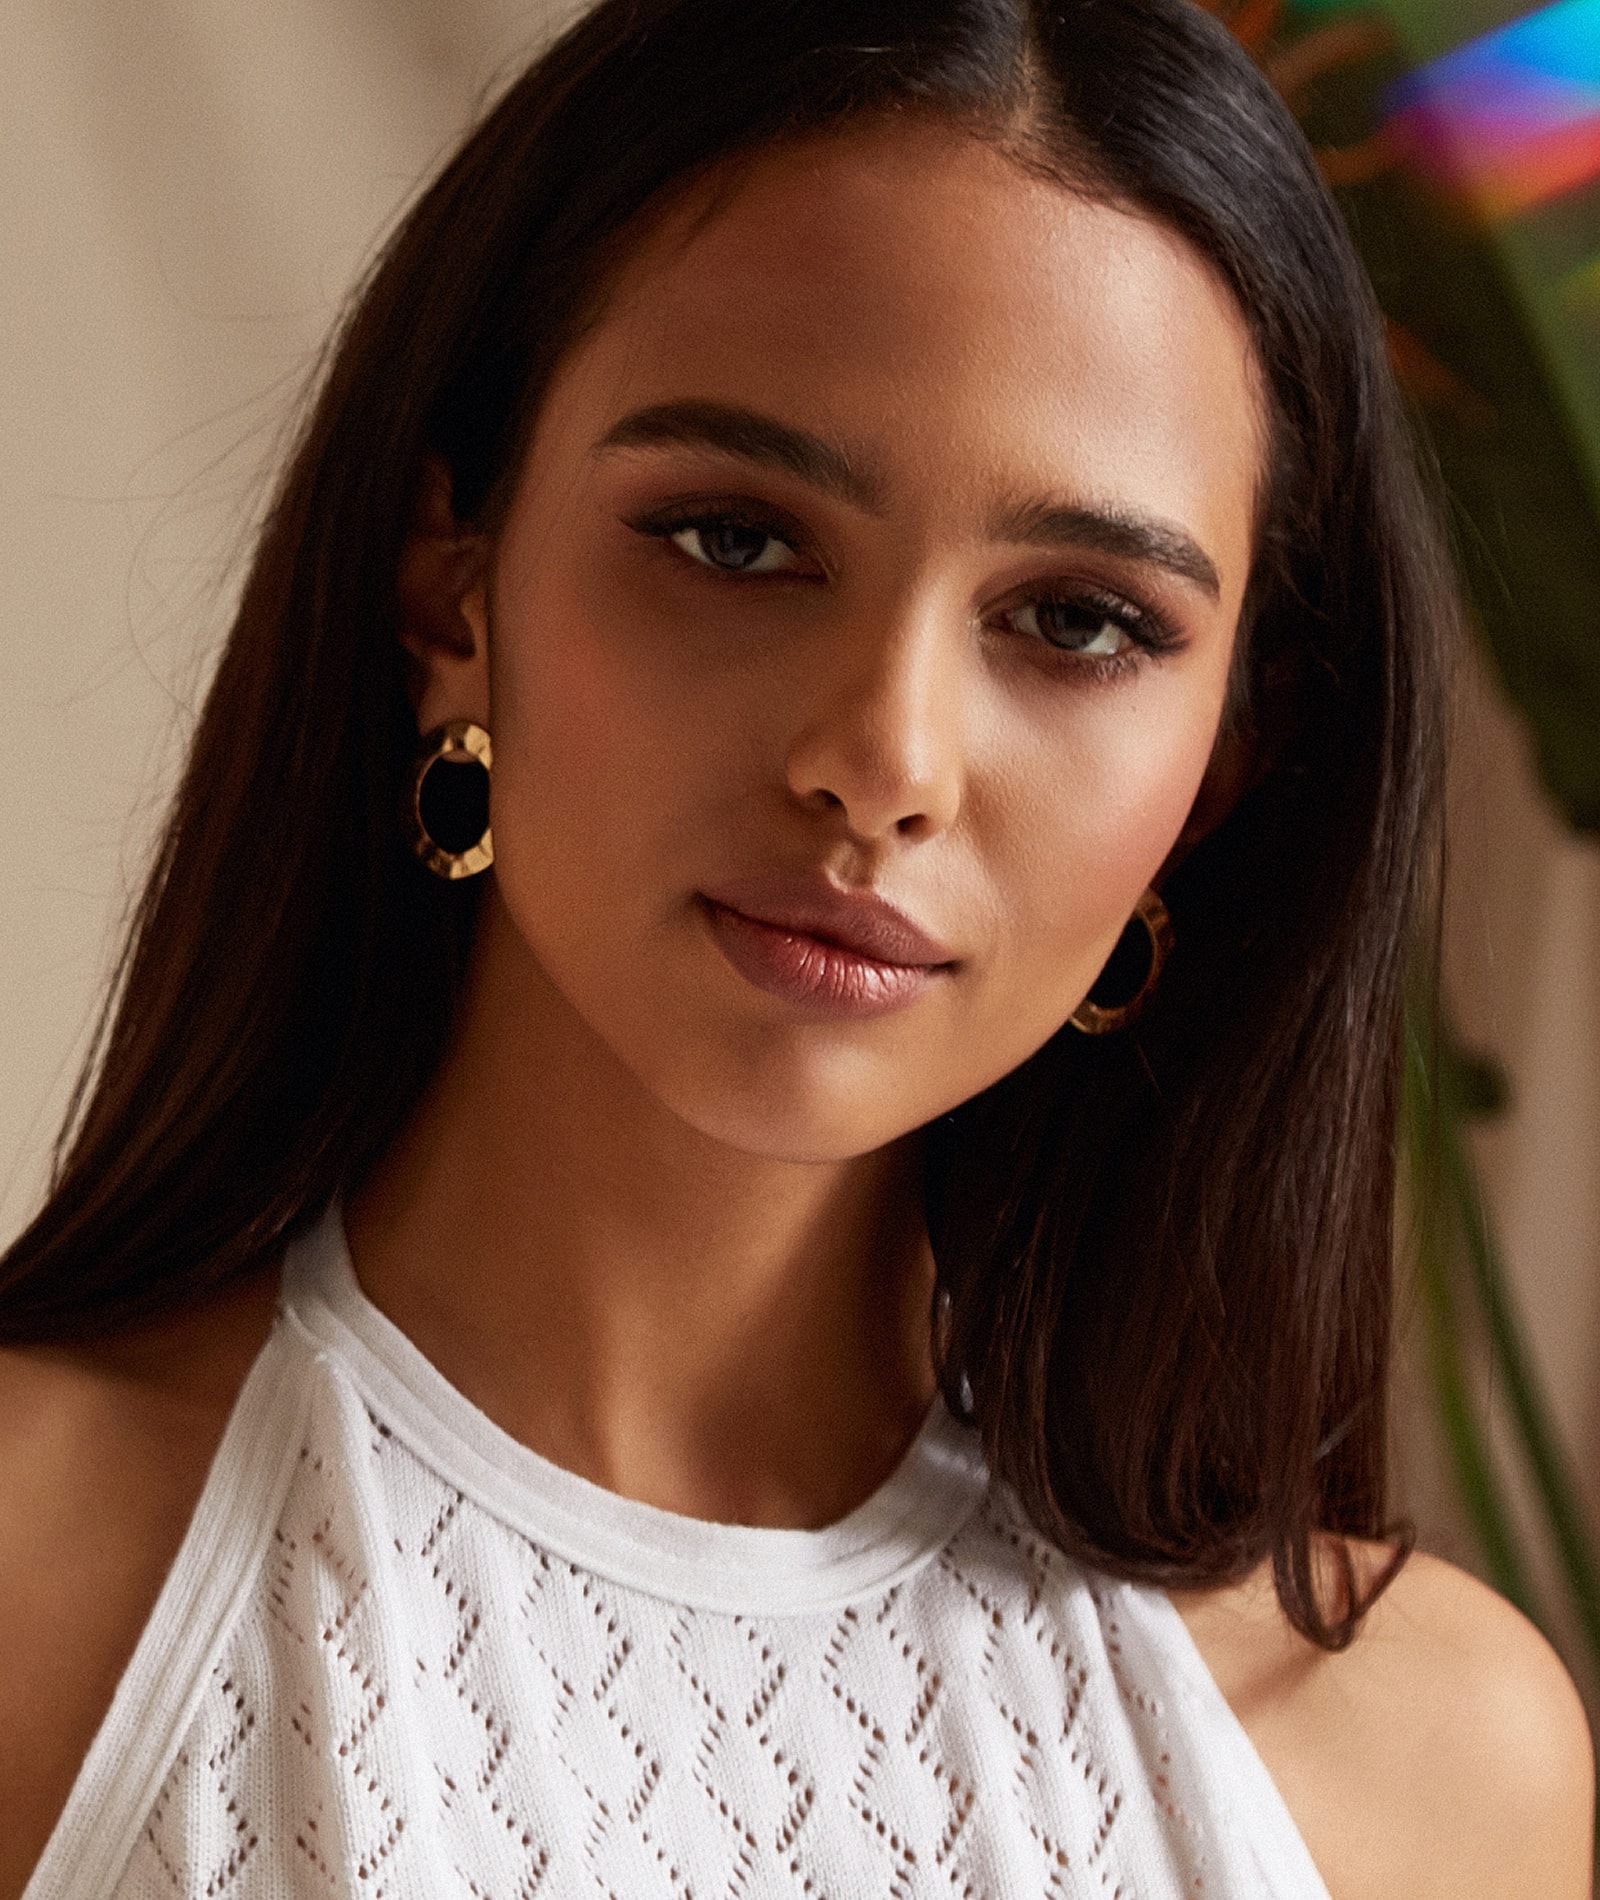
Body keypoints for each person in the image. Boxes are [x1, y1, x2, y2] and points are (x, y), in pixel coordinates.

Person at [0, 0, 1591, 1892]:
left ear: (1225, 769)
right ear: (451, 587)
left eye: (1079, 622)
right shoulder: (40, 1568)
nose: (884, 762)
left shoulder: (1428, 1770)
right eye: (738, 541)